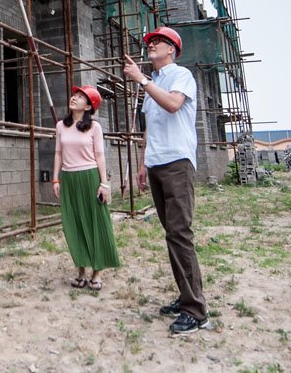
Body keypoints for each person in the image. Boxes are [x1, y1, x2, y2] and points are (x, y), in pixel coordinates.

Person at [122, 26, 210, 335]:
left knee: (180, 233)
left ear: (171, 49)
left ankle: (196, 311)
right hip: (157, 163)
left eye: (157, 42)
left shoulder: (180, 75)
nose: (151, 46)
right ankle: (186, 296)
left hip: (177, 162)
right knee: (171, 234)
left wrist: (142, 79)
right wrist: (143, 163)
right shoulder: (155, 83)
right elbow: (151, 127)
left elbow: (172, 105)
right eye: (150, 42)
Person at [52, 85, 120, 291]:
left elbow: (99, 155)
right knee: (73, 223)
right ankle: (81, 271)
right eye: (74, 95)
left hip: (89, 177)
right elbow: (58, 153)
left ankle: (97, 272)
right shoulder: (60, 126)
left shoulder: (94, 127)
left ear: (89, 106)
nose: (74, 98)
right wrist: (55, 179)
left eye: (81, 97)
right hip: (69, 178)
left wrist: (104, 183)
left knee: (95, 223)